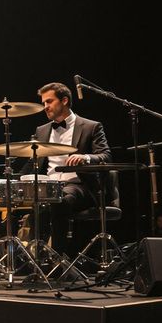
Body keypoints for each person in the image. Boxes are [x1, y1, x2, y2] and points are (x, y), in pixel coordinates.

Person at [26, 81, 111, 252]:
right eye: (44, 103)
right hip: (49, 186)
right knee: (35, 206)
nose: (45, 107)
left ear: (64, 101)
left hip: (79, 185)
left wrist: (85, 157)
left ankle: (59, 257)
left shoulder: (90, 126)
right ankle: (34, 259)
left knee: (60, 200)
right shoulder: (41, 130)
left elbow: (106, 155)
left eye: (49, 101)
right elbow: (31, 163)